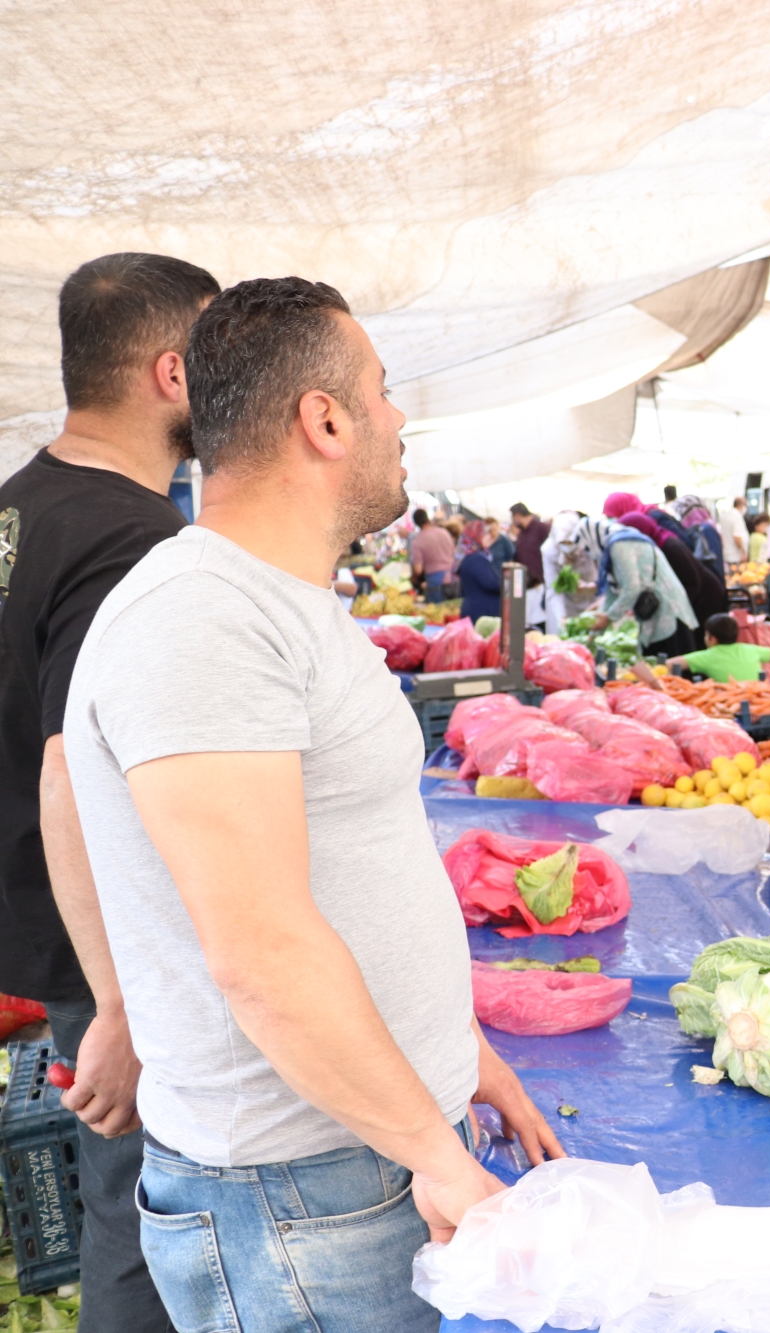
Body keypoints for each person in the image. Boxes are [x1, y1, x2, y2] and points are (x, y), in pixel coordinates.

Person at [63, 276, 561, 1332]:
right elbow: (264, 950)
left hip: (347, 1165)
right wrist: (431, 1150)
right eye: (382, 390)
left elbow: (343, 862)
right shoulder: (202, 614)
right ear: (323, 419)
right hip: (301, 1198)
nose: (399, 416)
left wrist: (456, 1053)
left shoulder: (274, 600)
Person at [0, 252, 217, 1333]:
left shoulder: (15, 505)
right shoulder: (135, 538)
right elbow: (67, 767)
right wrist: (124, 1000)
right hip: (101, 946)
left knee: (121, 1210)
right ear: (173, 374)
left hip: (35, 924)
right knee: (142, 1221)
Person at [561, 512, 698, 657]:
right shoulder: (616, 542)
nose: (588, 552)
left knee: (669, 667)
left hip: (667, 610)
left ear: (591, 538)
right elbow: (612, 593)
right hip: (656, 609)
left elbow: (632, 588)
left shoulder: (619, 545)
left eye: (586, 546)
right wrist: (594, 633)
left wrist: (608, 618)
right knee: (658, 666)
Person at [668, 612, 770, 682]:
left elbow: (669, 664)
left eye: (706, 635)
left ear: (712, 639)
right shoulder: (750, 649)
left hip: (727, 703)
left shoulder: (708, 656)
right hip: (757, 698)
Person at [455, 518, 502, 622]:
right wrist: (509, 583)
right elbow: (490, 583)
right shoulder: (476, 559)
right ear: (476, 535)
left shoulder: (472, 556)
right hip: (481, 613)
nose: (490, 537)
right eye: (486, 534)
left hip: (479, 611)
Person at [408, 505, 456, 602]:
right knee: (454, 611)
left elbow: (418, 569)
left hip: (435, 582)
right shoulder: (444, 532)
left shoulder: (418, 541)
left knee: (437, 614)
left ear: (416, 523)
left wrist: (412, 579)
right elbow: (454, 553)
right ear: (427, 518)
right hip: (453, 578)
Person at [718, 494, 751, 565]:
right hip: (735, 555)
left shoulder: (725, 515)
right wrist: (743, 552)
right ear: (740, 505)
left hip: (727, 553)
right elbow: (737, 536)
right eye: (745, 505)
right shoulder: (736, 516)